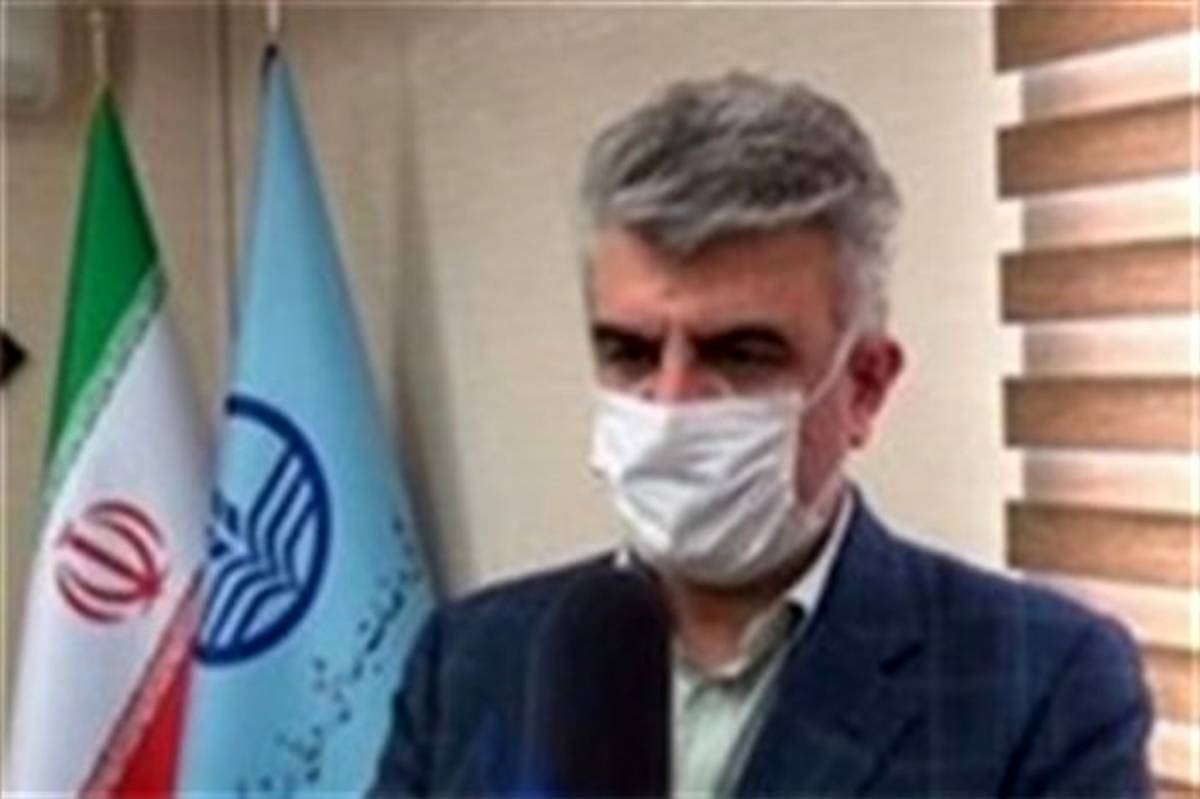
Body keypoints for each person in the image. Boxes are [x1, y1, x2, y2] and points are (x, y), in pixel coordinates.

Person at [370, 73, 1151, 798]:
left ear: (864, 386)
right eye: (630, 352)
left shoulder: (1041, 680)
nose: (671, 402)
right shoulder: (469, 655)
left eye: (740, 354)